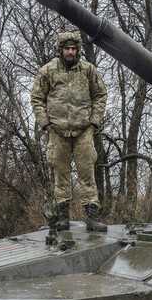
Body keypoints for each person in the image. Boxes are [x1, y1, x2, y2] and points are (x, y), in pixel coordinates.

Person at [31, 32, 108, 232]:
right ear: (61, 49)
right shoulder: (48, 71)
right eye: (67, 48)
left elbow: (101, 94)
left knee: (87, 174)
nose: (71, 52)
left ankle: (92, 217)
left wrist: (94, 123)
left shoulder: (88, 71)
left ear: (78, 50)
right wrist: (45, 124)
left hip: (83, 131)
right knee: (61, 175)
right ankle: (62, 217)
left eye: (74, 48)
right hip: (57, 130)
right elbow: (36, 98)